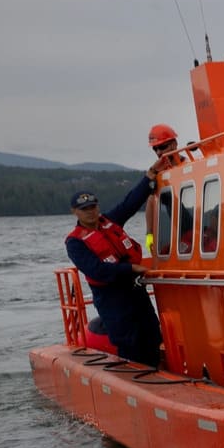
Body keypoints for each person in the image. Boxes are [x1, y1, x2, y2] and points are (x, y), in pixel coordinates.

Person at [66, 163, 166, 367]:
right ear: (74, 212)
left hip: (135, 290)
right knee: (129, 341)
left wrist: (148, 179)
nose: (90, 212)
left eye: (92, 207)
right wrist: (131, 268)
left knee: (151, 333)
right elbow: (97, 271)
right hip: (112, 298)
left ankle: (157, 370)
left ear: (98, 207)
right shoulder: (75, 242)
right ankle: (135, 384)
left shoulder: (109, 221)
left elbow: (129, 203)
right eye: (84, 209)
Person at [145, 123, 180, 253]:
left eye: (162, 147)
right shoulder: (158, 175)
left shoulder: (189, 166)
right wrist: (149, 234)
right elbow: (150, 201)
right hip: (171, 231)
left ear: (174, 144)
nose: (159, 152)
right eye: (155, 149)